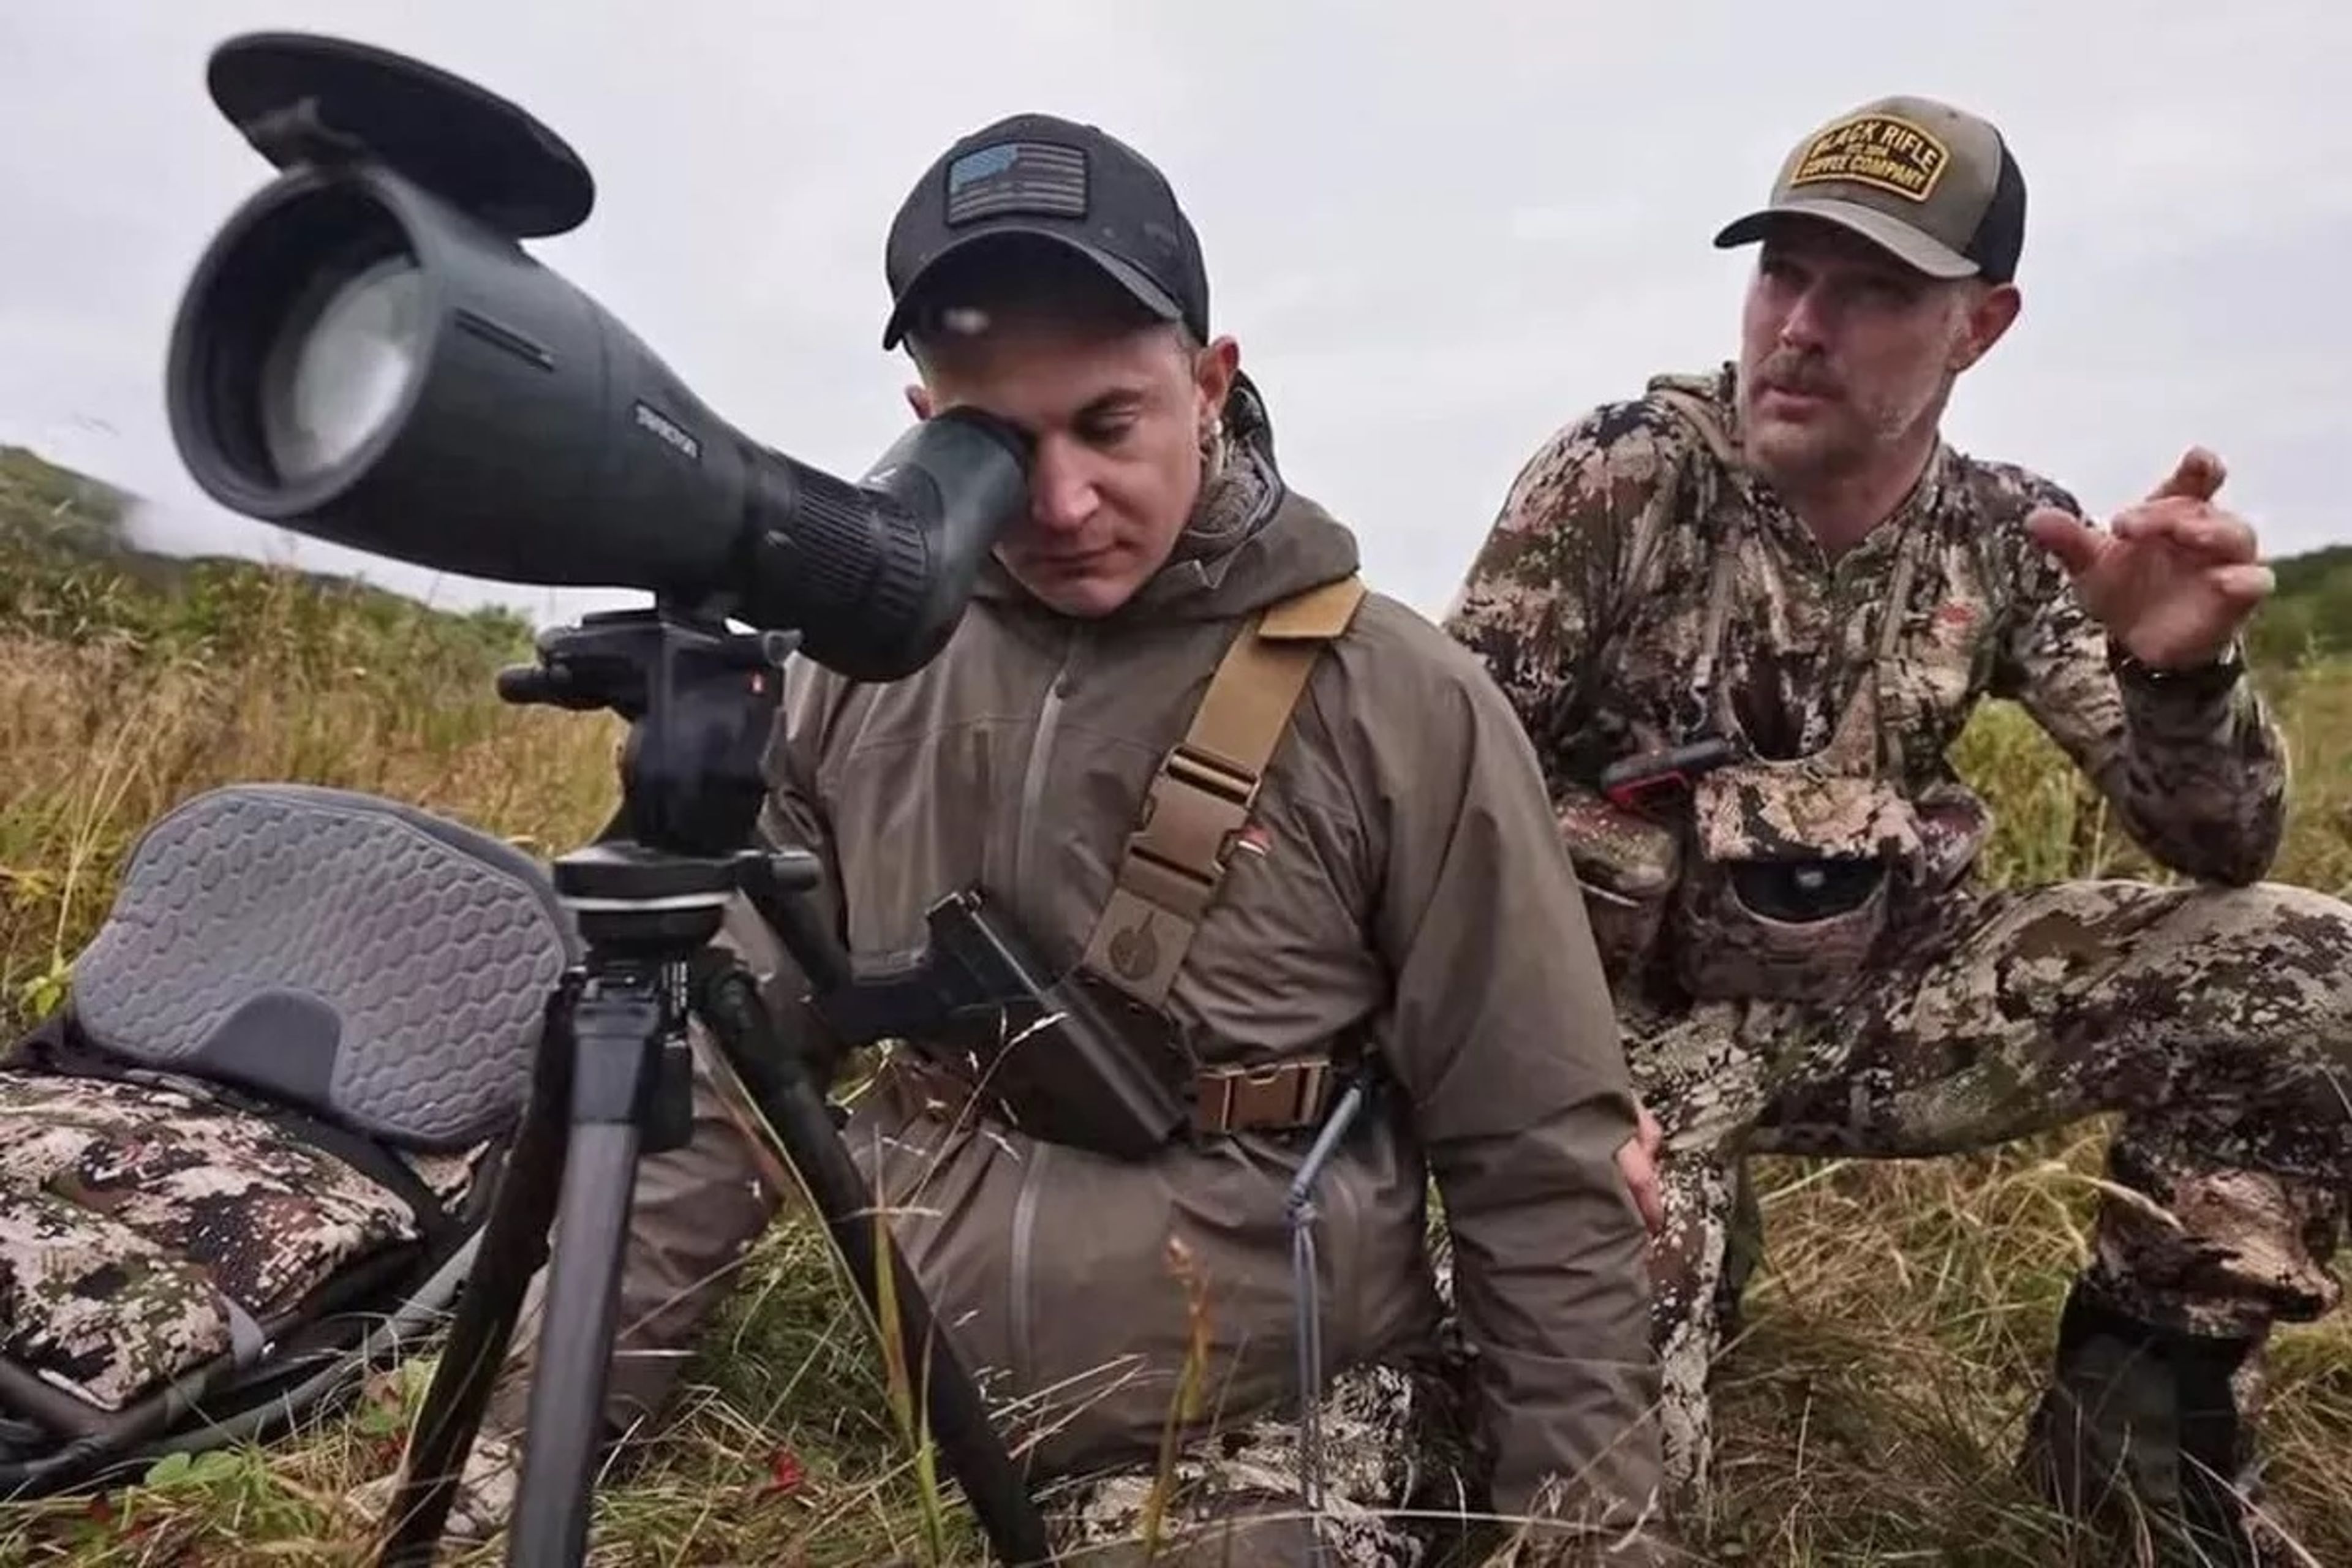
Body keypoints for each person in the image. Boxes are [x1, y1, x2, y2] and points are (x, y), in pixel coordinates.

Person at [376, 112, 1677, 1566]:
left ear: (1210, 381)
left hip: (1257, 1402)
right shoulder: (844, 674)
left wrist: (1582, 1529)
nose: (1060, 503)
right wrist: (523, 1442)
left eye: (1111, 424)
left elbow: (1536, 1150)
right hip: (923, 1404)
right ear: (928, 419)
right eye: (1001, 444)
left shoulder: (1402, 697)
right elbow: (705, 1097)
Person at [1440, 92, 2352, 1567]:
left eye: (1869, 290)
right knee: (1602, 1500)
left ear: (1979, 327)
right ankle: (1669, 1276)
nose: (1801, 325)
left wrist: (2178, 675)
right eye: (1782, 273)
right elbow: (1433, 799)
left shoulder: (2011, 534)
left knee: (2305, 968)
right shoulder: (1619, 480)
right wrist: (1542, 1097)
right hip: (1620, 1042)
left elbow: (2225, 847)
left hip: (1883, 1003)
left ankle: (2135, 1464)